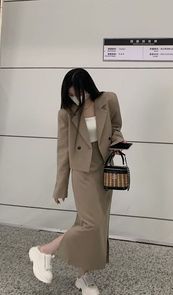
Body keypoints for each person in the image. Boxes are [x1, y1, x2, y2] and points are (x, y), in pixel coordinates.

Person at [28, 68, 126, 294]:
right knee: (91, 225)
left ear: (88, 88)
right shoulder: (66, 113)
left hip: (105, 170)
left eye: (79, 94)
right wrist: (60, 185)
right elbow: (63, 150)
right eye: (71, 95)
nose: (76, 99)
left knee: (92, 225)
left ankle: (83, 277)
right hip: (82, 173)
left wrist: (118, 141)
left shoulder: (108, 100)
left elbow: (117, 127)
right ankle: (44, 251)